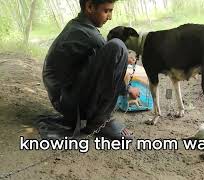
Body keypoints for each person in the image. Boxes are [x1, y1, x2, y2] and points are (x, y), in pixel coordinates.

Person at [42, 0, 139, 139]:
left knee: (116, 50)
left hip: (63, 97)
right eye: (107, 11)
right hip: (66, 101)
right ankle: (101, 121)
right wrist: (128, 90)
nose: (110, 17)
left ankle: (95, 116)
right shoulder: (87, 34)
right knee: (118, 47)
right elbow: (112, 60)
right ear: (89, 7)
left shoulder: (77, 26)